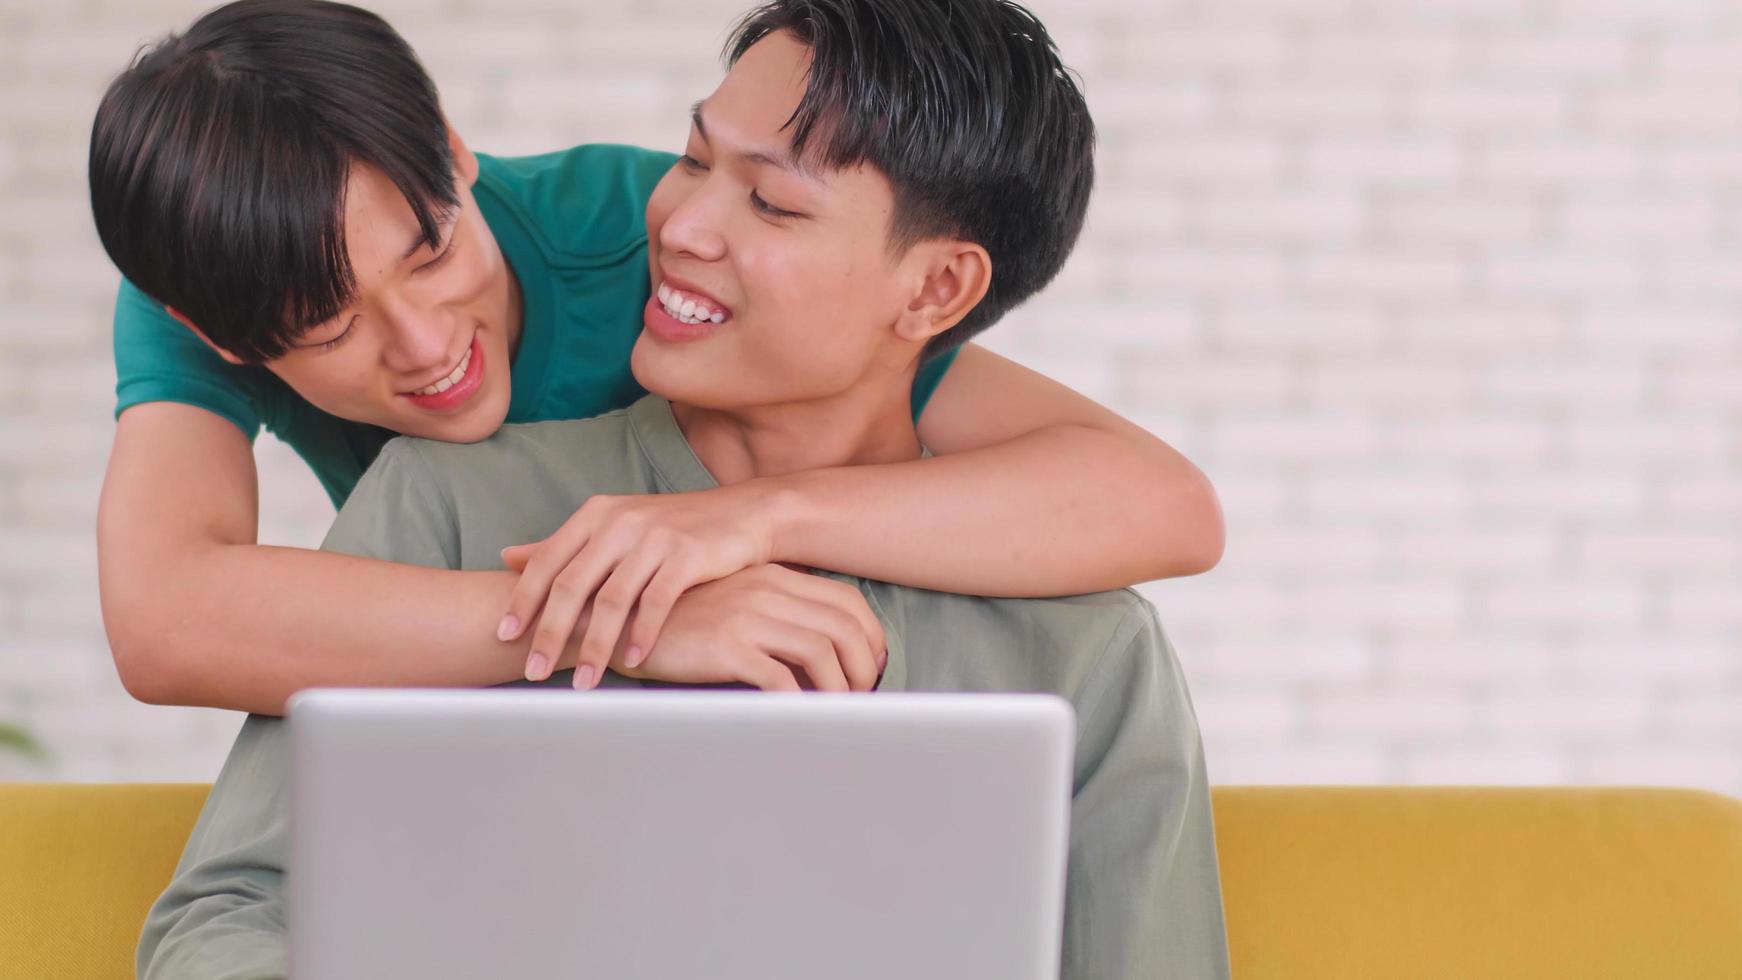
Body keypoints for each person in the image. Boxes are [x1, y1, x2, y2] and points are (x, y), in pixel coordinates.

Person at [139, 4, 1230, 977]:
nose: (682, 225)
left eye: (771, 202)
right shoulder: (445, 504)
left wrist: (741, 522)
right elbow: (220, 919)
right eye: (694, 158)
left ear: (936, 286)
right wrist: (580, 620)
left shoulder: (1089, 651)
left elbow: (1172, 505)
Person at [89, 0, 1224, 714]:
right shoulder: (206, 281)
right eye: (329, 328)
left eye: (432, 255)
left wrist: (754, 519)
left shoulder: (664, 236)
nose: (426, 344)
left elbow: (1157, 502)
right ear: (219, 334)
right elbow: (168, 621)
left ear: (451, 151)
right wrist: (632, 624)